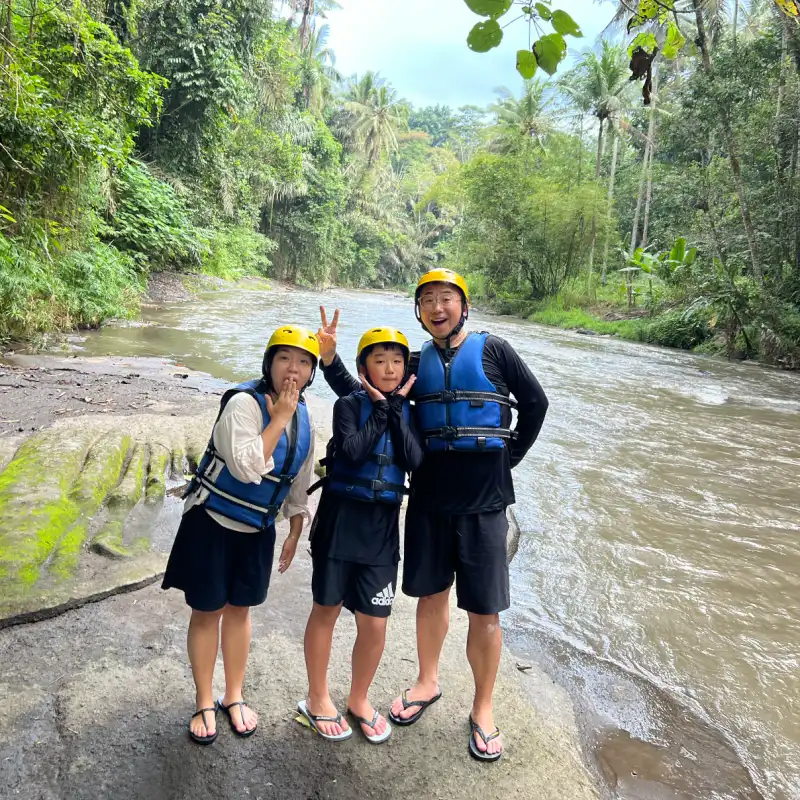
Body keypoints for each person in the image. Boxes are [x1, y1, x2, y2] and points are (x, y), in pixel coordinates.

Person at [317, 269, 549, 762]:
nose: (437, 307)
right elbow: (365, 391)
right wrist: (332, 360)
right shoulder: (415, 363)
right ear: (419, 312)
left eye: (446, 298)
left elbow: (535, 404)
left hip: (484, 503)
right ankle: (427, 681)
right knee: (431, 595)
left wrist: (509, 459)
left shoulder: (495, 350)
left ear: (463, 306)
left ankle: (483, 707)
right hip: (427, 499)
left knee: (485, 610)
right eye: (427, 301)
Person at [162, 325, 319, 745]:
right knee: (208, 611)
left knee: (240, 611)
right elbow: (248, 467)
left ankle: (233, 696)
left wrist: (294, 527)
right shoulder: (244, 405)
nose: (293, 369)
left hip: (257, 528)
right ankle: (202, 699)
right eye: (285, 358)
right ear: (269, 363)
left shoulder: (305, 416)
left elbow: (299, 478)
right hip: (212, 522)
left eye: (304, 362)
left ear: (311, 372)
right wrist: (280, 416)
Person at [298, 327, 423, 744]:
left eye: (397, 361)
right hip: (340, 523)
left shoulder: (411, 410)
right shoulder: (349, 405)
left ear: (406, 368)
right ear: (364, 367)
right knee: (327, 609)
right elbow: (352, 452)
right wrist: (383, 410)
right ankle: (318, 698)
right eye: (379, 361)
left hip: (382, 531)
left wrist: (396, 409)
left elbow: (414, 460)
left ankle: (358, 699)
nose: (389, 369)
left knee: (375, 623)